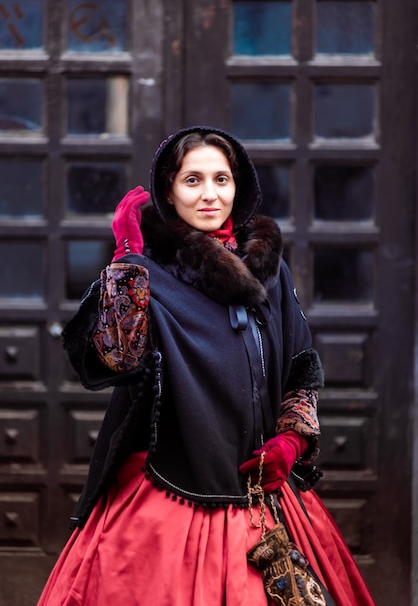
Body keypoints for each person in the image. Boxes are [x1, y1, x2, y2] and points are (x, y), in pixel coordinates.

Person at [37, 126, 376, 606]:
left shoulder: (269, 270)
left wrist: (293, 438)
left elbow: (301, 365)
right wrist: (126, 263)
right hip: (169, 493)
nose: (210, 194)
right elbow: (116, 359)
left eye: (222, 179)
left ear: (239, 187)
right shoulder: (146, 271)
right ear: (169, 192)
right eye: (192, 180)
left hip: (267, 493)